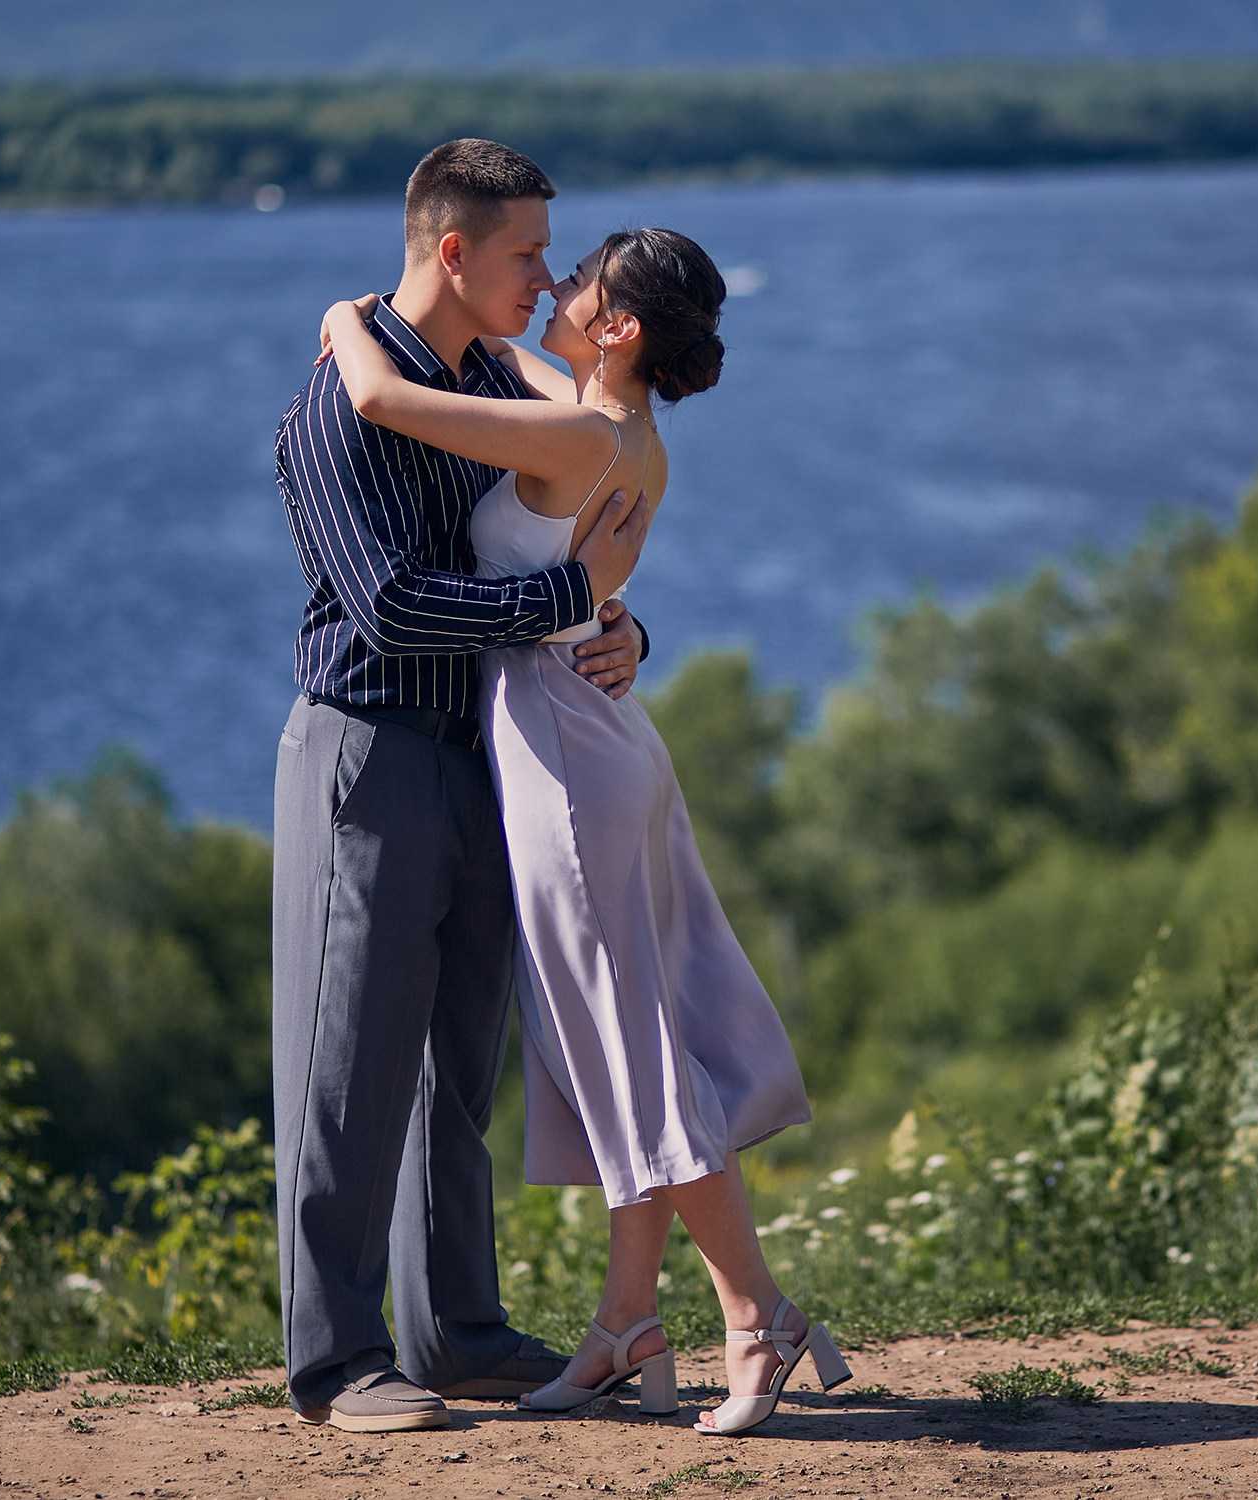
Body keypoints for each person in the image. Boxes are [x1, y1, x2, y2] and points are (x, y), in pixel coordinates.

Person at [316, 222, 849, 1434]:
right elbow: (576, 530)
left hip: (564, 755)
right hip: (600, 743)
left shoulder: (571, 429)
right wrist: (628, 627)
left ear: (619, 327)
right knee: (621, 1039)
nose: (554, 285)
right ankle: (624, 1326)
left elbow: (382, 396)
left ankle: (756, 1312)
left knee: (628, 1049)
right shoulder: (622, 430)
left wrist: (344, 317)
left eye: (581, 282)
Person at [269, 138, 655, 1434]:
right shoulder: (336, 403)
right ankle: (334, 1367)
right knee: (345, 1065)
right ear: (453, 252)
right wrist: (564, 601)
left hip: (488, 755)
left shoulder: (491, 379)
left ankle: (456, 1335)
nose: (549, 278)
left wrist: (622, 628)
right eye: (529, 254)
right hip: (365, 754)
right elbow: (387, 607)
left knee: (452, 1064)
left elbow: (578, 512)